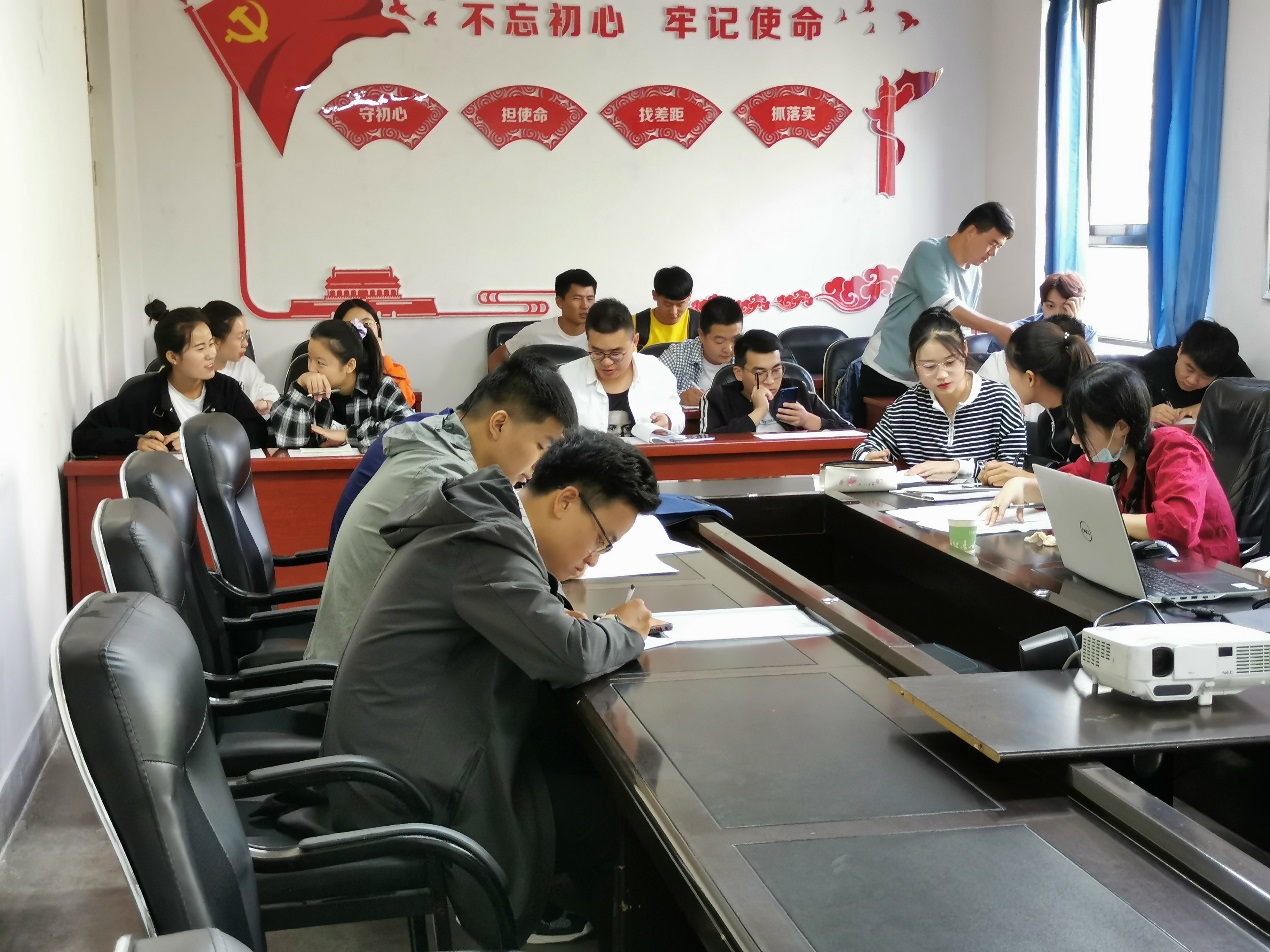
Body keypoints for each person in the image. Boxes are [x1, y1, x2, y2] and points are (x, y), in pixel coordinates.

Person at [323, 430, 661, 949]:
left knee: (581, 760)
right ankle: (531, 903)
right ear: (566, 500)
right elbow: (567, 653)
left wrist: (575, 624)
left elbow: (542, 624)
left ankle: (550, 888)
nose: (595, 559)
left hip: (403, 748)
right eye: (601, 539)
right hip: (402, 784)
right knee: (618, 812)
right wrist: (626, 629)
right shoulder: (487, 542)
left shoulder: (488, 518)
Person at [306, 352, 578, 663]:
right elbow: (505, 590)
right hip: (357, 674)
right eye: (541, 446)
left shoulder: (439, 435)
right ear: (499, 424)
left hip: (375, 651)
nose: (538, 466)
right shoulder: (443, 480)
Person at [986, 361, 1238, 564]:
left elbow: (1178, 526)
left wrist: (1104, 519)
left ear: (1121, 427)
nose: (1075, 439)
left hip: (1204, 573)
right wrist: (1020, 485)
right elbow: (1067, 484)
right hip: (1150, 562)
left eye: (1083, 430)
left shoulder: (1177, 450)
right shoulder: (1111, 452)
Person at [859, 202, 1017, 403]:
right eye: (992, 243)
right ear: (971, 231)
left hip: (926, 377)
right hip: (886, 371)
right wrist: (998, 329)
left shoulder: (975, 272)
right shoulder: (928, 251)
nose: (993, 253)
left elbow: (958, 327)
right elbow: (946, 307)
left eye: (999, 247)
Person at [71, 301, 269, 455]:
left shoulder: (226, 389)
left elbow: (258, 432)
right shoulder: (142, 395)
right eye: (200, 348)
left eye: (211, 344)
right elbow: (84, 436)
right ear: (173, 357)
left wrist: (204, 439)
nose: (211, 354)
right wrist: (135, 442)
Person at [853, 308, 1026, 480]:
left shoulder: (1001, 401)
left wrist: (957, 466)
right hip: (920, 497)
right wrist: (869, 458)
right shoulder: (907, 407)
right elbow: (865, 448)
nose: (942, 375)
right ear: (913, 361)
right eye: (929, 366)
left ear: (965, 349)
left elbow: (1013, 470)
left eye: (950, 362)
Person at [978, 318, 1097, 486]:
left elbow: (1089, 484)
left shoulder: (1088, 420)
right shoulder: (1046, 421)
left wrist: (1024, 477)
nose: (1009, 380)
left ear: (1030, 378)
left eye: (1009, 371)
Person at [269, 318, 411, 449]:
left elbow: (409, 428)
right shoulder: (307, 390)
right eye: (309, 358)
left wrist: (348, 435)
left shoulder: (381, 388)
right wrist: (300, 389)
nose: (311, 369)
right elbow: (286, 441)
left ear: (349, 365)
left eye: (320, 363)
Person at [558, 299, 685, 437]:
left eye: (616, 353)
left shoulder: (656, 371)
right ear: (588, 343)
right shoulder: (566, 378)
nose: (606, 362)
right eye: (597, 352)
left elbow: (677, 416)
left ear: (634, 341)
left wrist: (668, 421)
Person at [704, 329, 848, 434]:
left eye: (776, 370)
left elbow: (850, 432)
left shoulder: (797, 390)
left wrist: (807, 420)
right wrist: (759, 412)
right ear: (739, 373)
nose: (770, 380)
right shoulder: (718, 398)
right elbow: (708, 443)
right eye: (760, 373)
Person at [1136, 321, 1253, 425]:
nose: (1192, 380)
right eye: (1190, 368)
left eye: (1205, 376)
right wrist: (1146, 415)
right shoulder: (1153, 364)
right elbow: (1124, 405)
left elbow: (1257, 397)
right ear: (1180, 349)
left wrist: (1208, 406)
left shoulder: (1224, 361)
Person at [488, 269, 597, 371]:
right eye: (577, 299)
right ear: (559, 302)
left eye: (590, 299)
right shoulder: (536, 332)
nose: (585, 305)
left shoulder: (600, 334)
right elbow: (497, 357)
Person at [659, 295, 743, 407]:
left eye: (735, 339)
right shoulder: (677, 355)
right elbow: (648, 388)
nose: (728, 348)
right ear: (702, 335)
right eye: (719, 341)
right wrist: (679, 397)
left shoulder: (748, 356)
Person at [333, 298, 416, 408]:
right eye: (351, 326)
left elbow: (404, 405)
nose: (362, 330)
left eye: (367, 323)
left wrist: (381, 359)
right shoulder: (329, 366)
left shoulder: (394, 370)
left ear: (377, 328)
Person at [202, 300, 279, 415]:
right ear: (215, 341)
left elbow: (268, 392)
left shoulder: (245, 365)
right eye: (240, 337)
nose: (246, 344)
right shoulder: (197, 373)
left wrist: (266, 402)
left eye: (245, 335)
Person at [632, 266, 700, 350]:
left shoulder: (701, 324)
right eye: (667, 304)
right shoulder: (634, 324)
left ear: (690, 296)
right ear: (654, 295)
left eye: (680, 304)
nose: (673, 312)